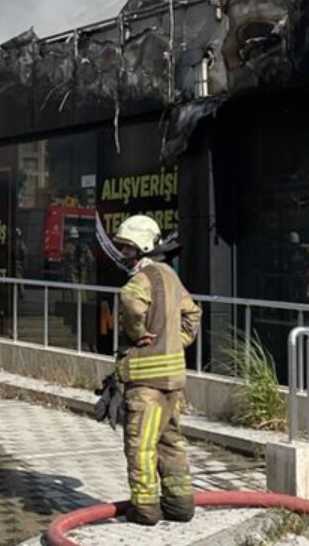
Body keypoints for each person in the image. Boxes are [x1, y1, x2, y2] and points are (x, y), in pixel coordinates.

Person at [113, 215, 202, 526]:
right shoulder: (170, 276)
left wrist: (138, 334)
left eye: (127, 248)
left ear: (144, 247)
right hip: (174, 381)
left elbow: (130, 301)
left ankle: (146, 509)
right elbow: (193, 313)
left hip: (146, 383)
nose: (122, 254)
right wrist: (178, 341)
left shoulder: (141, 279)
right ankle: (180, 505)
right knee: (171, 442)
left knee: (140, 445)